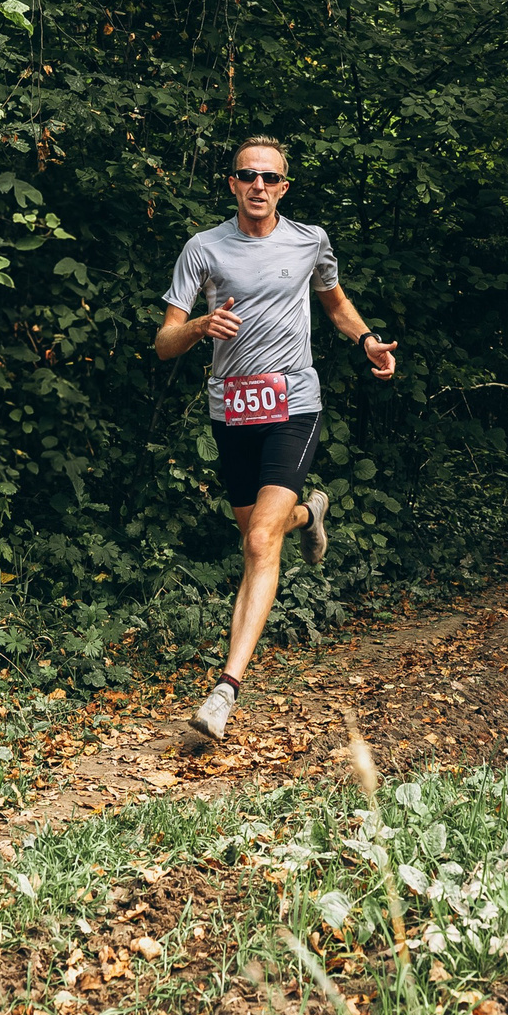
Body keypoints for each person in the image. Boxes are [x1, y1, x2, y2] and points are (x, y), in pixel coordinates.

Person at [155, 135, 398, 744]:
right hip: (232, 411)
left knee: (260, 538)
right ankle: (309, 511)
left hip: (294, 403)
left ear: (283, 188)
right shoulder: (203, 248)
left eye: (270, 177)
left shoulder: (309, 241)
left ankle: (223, 691)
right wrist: (200, 327)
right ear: (233, 184)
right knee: (256, 536)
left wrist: (366, 340)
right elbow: (164, 341)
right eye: (247, 175)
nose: (258, 185)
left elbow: (336, 305)